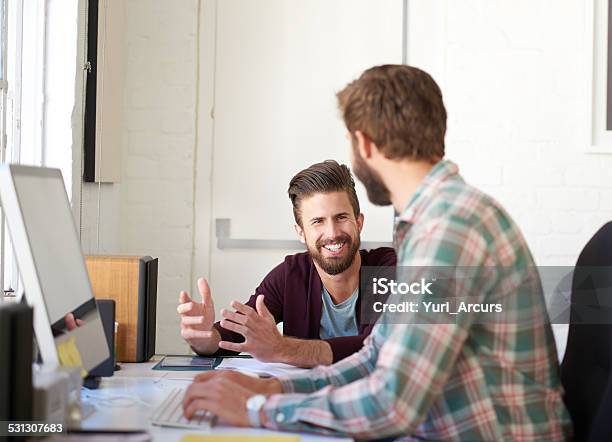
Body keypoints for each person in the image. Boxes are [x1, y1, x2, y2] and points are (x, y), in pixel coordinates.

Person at [181, 65, 572, 441]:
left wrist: (257, 410)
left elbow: (393, 404)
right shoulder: (435, 222)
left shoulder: (449, 230)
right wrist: (271, 389)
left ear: (364, 143)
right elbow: (374, 360)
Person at [178, 160, 396, 368]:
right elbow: (233, 337)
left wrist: (282, 348)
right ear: (301, 232)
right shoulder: (290, 275)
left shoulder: (392, 270)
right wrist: (204, 337)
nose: (332, 233)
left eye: (341, 218)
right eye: (318, 222)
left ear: (359, 222)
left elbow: (383, 348)